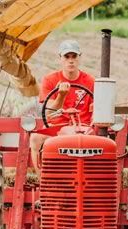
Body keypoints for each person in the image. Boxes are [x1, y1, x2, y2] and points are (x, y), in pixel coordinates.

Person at [30, 39, 95, 170]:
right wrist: (61, 95)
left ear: (79, 57)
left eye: (74, 56)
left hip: (83, 127)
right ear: (60, 58)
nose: (70, 60)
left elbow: (96, 109)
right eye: (67, 56)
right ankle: (43, 181)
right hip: (56, 127)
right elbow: (48, 112)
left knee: (105, 142)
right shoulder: (50, 80)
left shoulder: (90, 81)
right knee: (35, 138)